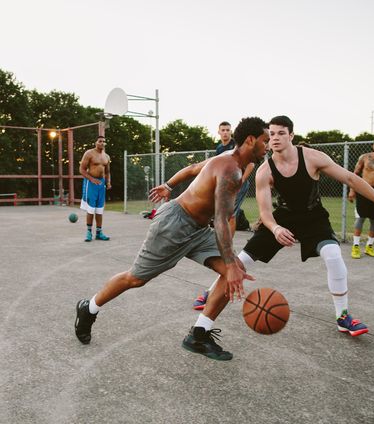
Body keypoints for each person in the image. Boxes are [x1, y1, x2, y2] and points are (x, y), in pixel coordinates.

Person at [178, 116, 374, 334]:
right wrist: (275, 228)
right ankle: (208, 294)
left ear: (291, 135)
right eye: (270, 134)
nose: (275, 138)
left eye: (281, 133)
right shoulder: (265, 170)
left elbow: (351, 178)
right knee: (240, 261)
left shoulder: (312, 157)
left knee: (333, 255)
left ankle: (343, 316)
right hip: (282, 220)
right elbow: (265, 212)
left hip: (314, 218)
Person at [74, 117, 270, 361]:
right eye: (265, 140)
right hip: (174, 224)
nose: (268, 146)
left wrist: (168, 185)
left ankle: (199, 334)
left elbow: (192, 171)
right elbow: (220, 220)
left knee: (235, 271)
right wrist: (229, 263)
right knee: (135, 279)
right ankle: (89, 308)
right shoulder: (230, 169)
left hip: (197, 230)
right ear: (250, 140)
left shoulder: (231, 162)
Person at [192, 121, 255, 309]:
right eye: (223, 130)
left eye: (228, 130)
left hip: (238, 182)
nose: (226, 132)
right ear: (219, 132)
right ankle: (224, 240)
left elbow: (250, 163)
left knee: (230, 215)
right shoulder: (220, 148)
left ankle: (227, 242)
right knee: (223, 214)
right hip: (226, 182)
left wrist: (241, 181)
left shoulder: (236, 144)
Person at [79, 135, 112, 242]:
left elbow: (107, 172)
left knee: (99, 210)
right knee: (91, 209)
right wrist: (91, 179)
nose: (102, 143)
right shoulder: (89, 153)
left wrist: (108, 182)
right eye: (100, 141)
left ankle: (99, 232)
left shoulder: (106, 156)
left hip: (101, 184)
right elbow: (82, 170)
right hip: (91, 183)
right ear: (96, 143)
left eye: (103, 141)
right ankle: (88, 232)